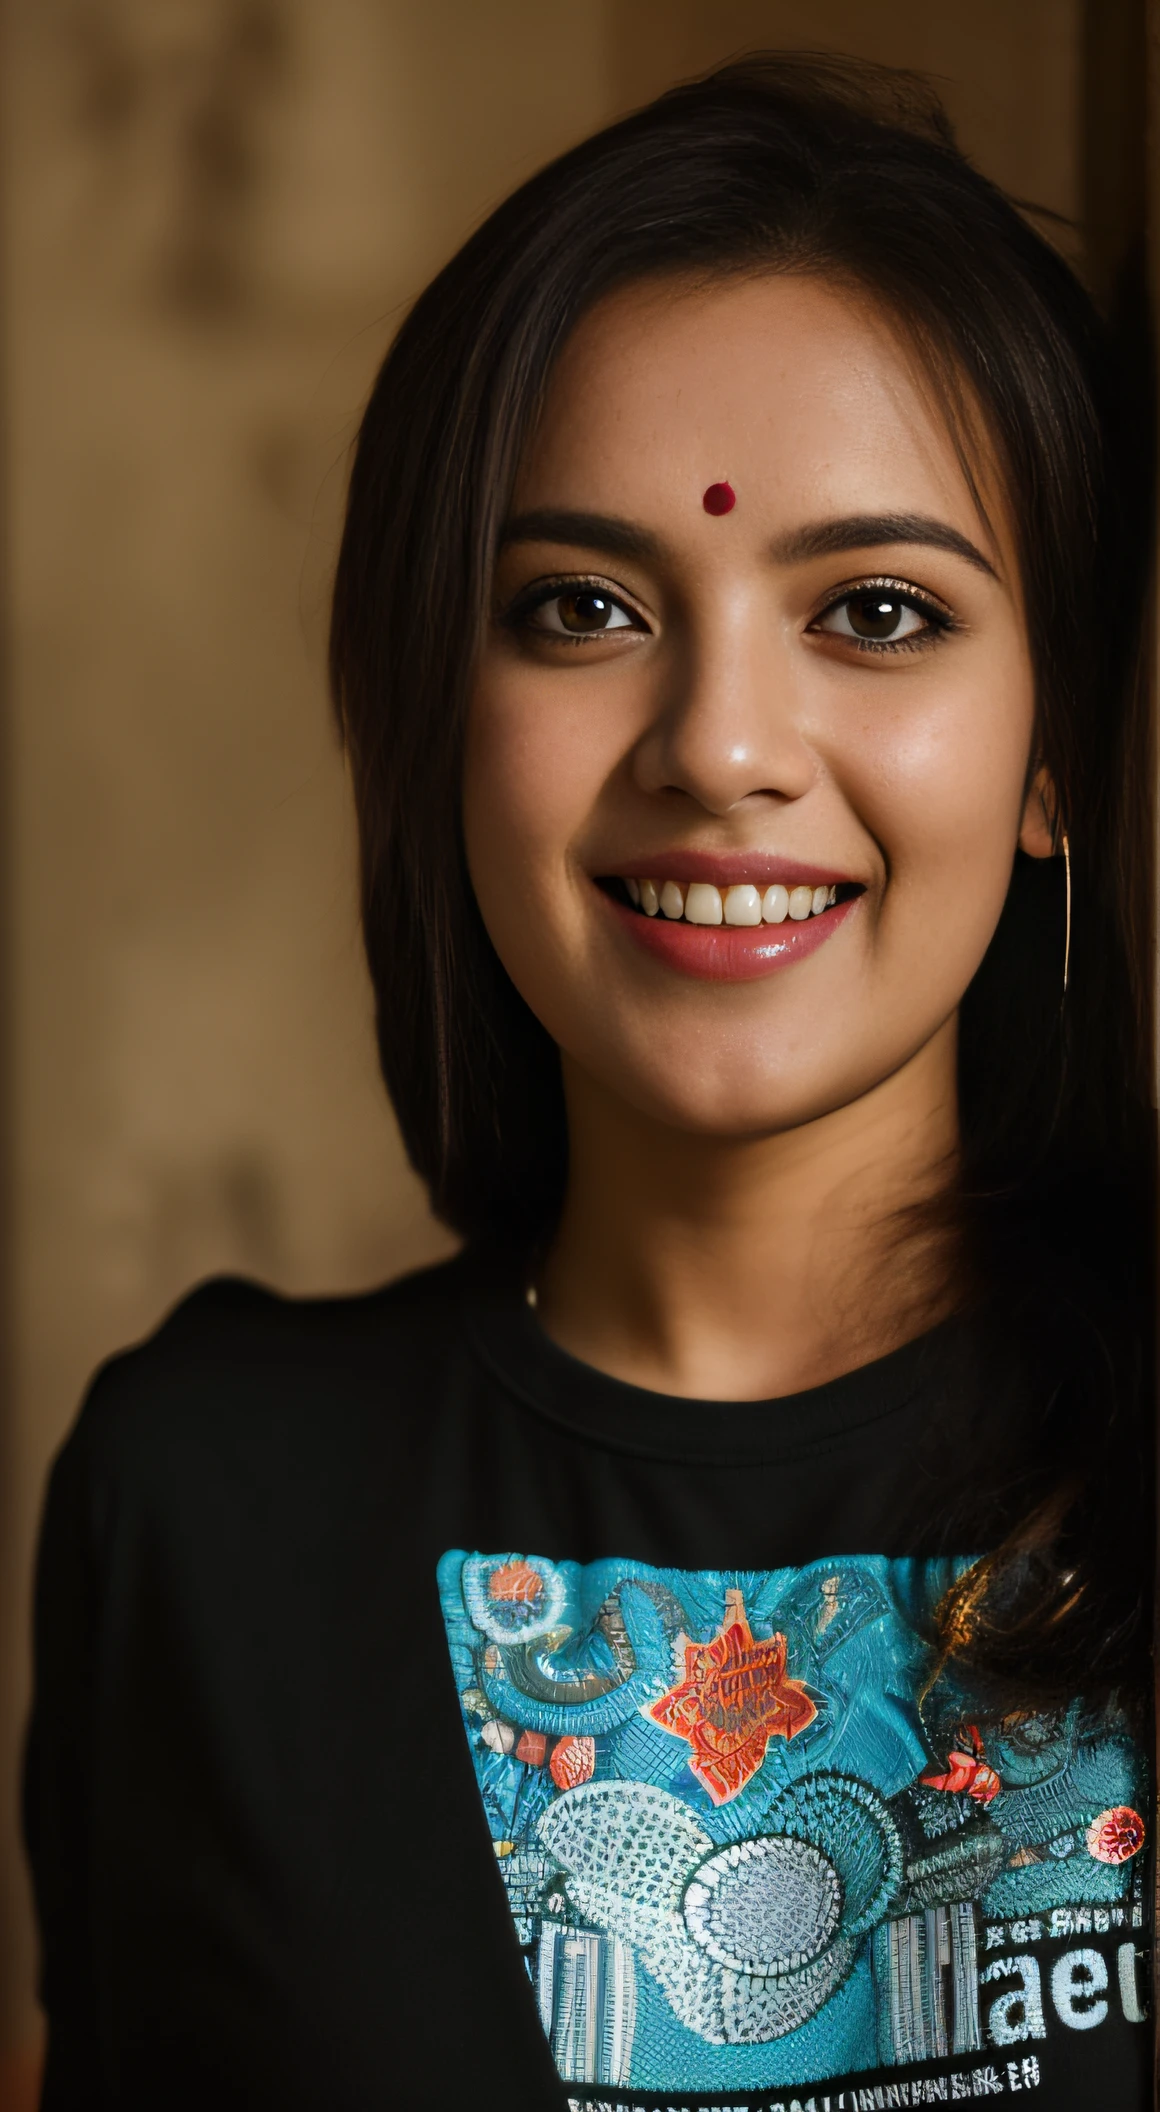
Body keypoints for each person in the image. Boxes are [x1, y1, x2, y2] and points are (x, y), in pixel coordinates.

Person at [23, 52, 1155, 2112]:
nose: (720, 741)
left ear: (1054, 752)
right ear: (437, 714)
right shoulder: (206, 1507)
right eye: (583, 609)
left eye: (877, 612)